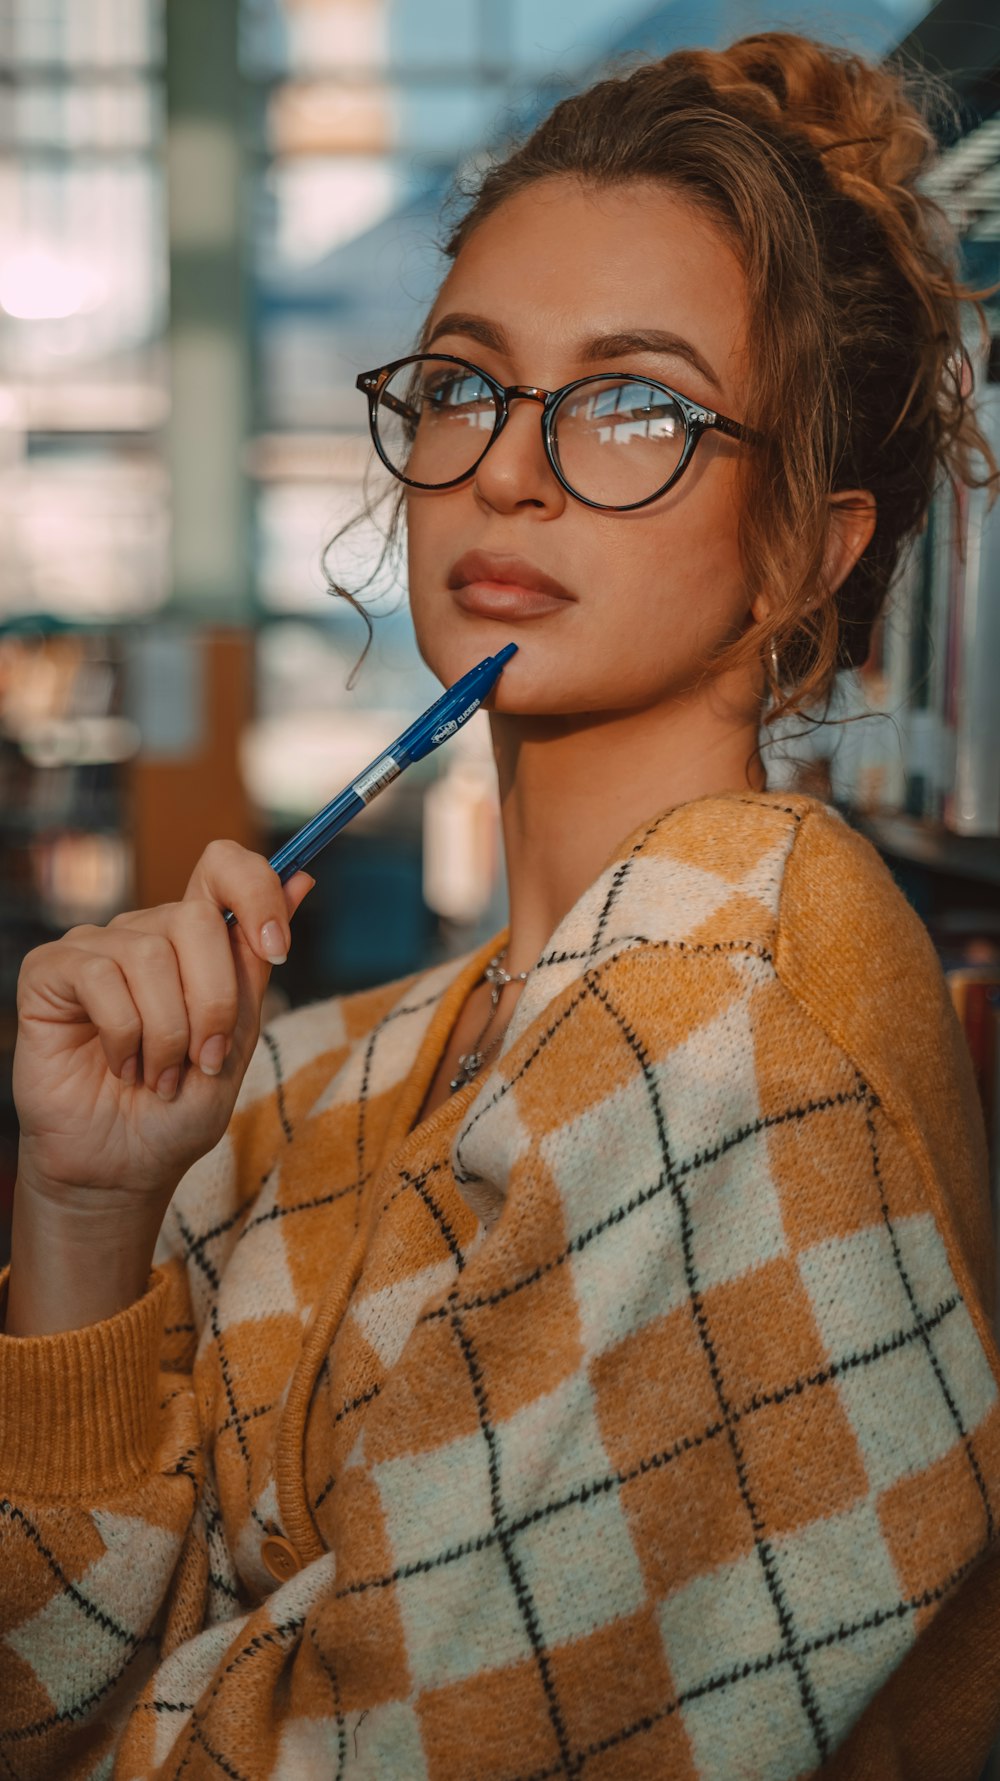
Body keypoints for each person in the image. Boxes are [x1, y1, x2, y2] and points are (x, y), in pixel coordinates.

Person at [2, 30, 999, 1781]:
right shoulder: (347, 1059)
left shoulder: (724, 1028)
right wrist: (90, 1213)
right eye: (466, 382)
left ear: (811, 551)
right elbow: (34, 1669)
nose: (511, 468)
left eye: (638, 402)